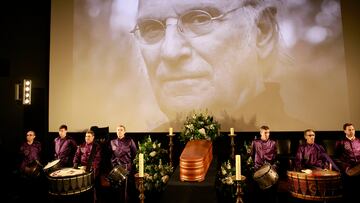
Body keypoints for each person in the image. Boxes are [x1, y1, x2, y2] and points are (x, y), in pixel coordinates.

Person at [132, 0, 304, 131]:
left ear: (262, 32)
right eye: (150, 28)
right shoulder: (139, 158)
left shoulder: (301, 156)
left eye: (200, 19)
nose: (170, 51)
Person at [109, 124, 137, 203]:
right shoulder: (112, 142)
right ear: (116, 132)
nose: (119, 131)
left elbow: (134, 153)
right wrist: (113, 164)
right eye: (118, 130)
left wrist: (129, 164)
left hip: (126, 167)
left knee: (125, 188)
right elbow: (111, 154)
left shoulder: (129, 141)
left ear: (124, 131)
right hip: (116, 167)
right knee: (117, 189)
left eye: (121, 130)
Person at [250, 125, 278, 202]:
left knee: (271, 192)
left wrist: (273, 166)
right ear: (261, 133)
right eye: (265, 133)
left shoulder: (273, 143)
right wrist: (256, 164)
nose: (267, 135)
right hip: (258, 168)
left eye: (268, 133)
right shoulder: (255, 142)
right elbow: (252, 155)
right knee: (258, 192)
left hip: (269, 168)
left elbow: (275, 156)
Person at [334, 123, 360, 203]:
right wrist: (345, 167)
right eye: (349, 130)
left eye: (353, 129)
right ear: (345, 131)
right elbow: (337, 158)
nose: (352, 131)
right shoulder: (340, 142)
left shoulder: (359, 141)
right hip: (348, 168)